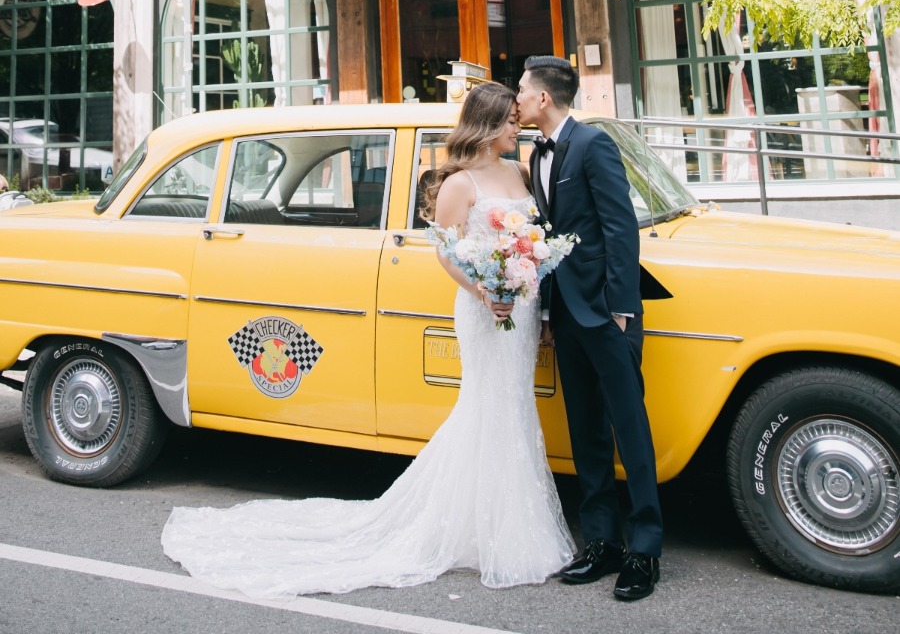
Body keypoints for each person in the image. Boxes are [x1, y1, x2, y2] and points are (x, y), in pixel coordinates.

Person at [162, 81, 574, 596]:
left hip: (522, 309)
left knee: (513, 408)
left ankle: (499, 527)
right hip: (484, 310)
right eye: (512, 120)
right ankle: (487, 534)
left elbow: (533, 236)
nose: (520, 127)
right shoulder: (460, 184)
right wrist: (486, 290)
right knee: (488, 407)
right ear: (490, 125)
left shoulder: (519, 171)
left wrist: (527, 279)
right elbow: (448, 253)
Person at [516, 55, 663, 602]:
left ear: (544, 99)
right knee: (586, 432)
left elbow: (620, 228)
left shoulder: (592, 144)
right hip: (566, 316)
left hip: (606, 312)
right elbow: (550, 235)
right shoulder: (536, 152)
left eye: (522, 91)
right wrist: (550, 313)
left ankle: (645, 551)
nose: (518, 99)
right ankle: (601, 542)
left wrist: (622, 306)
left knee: (630, 429)